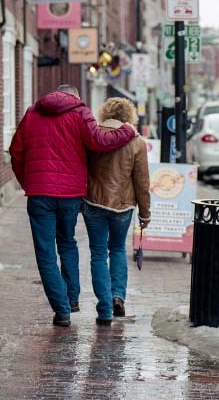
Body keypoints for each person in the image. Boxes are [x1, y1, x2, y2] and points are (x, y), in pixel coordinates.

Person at [9, 85, 137, 327]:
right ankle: (72, 298)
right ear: (75, 97)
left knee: (45, 253)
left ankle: (63, 309)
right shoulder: (80, 112)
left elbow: (16, 152)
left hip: (39, 194)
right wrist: (127, 131)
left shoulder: (31, 114)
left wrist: (28, 181)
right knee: (67, 242)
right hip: (70, 194)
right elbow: (99, 141)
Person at [82, 97, 151, 325]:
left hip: (93, 202)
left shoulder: (93, 136)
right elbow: (141, 181)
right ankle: (117, 296)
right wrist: (145, 213)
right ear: (129, 116)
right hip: (123, 206)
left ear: (105, 113)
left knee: (99, 254)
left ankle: (104, 309)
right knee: (118, 249)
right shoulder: (137, 143)